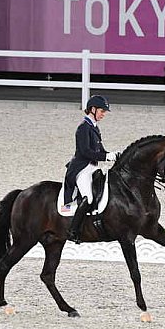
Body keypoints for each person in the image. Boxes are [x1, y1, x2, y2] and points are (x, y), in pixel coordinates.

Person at [63, 95, 117, 243]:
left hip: (92, 167)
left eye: (104, 111)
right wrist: (105, 157)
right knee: (89, 197)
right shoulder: (83, 128)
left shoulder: (94, 127)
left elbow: (100, 150)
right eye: (101, 111)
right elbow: (86, 152)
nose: (103, 114)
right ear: (92, 109)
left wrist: (112, 155)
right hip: (81, 168)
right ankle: (73, 231)